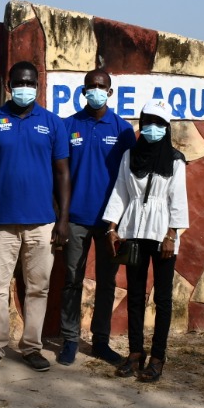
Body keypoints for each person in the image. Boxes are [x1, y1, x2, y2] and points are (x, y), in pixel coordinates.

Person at [0, 61, 70, 372]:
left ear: (38, 85)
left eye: (31, 82)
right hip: (1, 222)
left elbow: (62, 173)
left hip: (42, 223)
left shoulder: (53, 124)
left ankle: (31, 347)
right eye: (20, 82)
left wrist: (64, 218)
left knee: (37, 288)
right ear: (8, 84)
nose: (25, 88)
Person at [103, 98, 188, 383]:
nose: (152, 128)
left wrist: (172, 234)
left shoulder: (175, 160)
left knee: (162, 298)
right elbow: (120, 192)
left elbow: (178, 199)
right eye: (148, 121)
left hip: (163, 233)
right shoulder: (130, 155)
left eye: (159, 123)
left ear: (167, 127)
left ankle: (158, 357)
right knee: (136, 295)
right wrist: (112, 228)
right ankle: (135, 353)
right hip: (133, 231)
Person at [58, 69, 136, 366]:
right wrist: (60, 217)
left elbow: (129, 179)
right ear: (83, 90)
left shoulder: (122, 130)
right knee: (72, 280)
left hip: (109, 222)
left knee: (106, 282)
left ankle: (101, 342)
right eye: (90, 86)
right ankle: (69, 339)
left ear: (110, 92)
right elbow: (60, 173)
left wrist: (121, 223)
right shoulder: (69, 125)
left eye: (101, 86)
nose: (96, 90)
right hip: (75, 218)